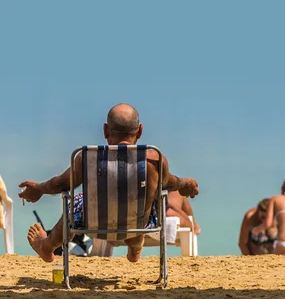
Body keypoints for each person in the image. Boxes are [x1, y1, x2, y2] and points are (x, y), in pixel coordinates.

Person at [19, 104, 199, 264]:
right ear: (140, 131)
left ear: (105, 130)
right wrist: (186, 183)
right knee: (148, 199)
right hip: (138, 226)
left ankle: (48, 246)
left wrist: (39, 189)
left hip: (94, 226)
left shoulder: (87, 157)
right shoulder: (153, 158)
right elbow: (171, 183)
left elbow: (60, 184)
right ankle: (135, 242)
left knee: (76, 201)